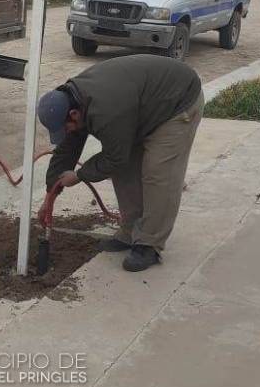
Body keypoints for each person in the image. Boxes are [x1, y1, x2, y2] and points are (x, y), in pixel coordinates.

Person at [37, 54, 203, 272]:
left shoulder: (105, 110)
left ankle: (149, 243)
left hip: (176, 103)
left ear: (74, 114)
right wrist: (50, 195)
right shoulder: (73, 99)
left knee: (158, 173)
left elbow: (114, 157)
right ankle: (130, 231)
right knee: (124, 169)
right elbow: (67, 149)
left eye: (66, 127)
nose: (66, 132)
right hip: (139, 108)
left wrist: (79, 175)